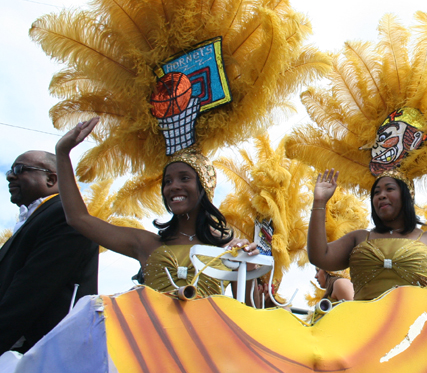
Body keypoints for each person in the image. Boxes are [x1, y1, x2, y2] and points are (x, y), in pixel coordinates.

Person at [55, 118, 259, 298]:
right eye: (167, 181)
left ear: (204, 186)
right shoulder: (145, 243)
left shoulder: (228, 250)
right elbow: (78, 218)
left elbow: (251, 313)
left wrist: (248, 269)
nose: (173, 186)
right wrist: (62, 154)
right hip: (152, 339)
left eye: (184, 178)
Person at [0, 151, 98, 353]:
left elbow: (31, 290)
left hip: (42, 356)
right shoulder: (34, 218)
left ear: (51, 178)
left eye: (19, 169)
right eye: (10, 170)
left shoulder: (64, 215)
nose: (10, 176)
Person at [308, 170, 427, 301]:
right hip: (365, 326)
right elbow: (319, 256)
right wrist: (319, 201)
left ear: (407, 195)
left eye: (389, 189)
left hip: (415, 325)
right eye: (376, 193)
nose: (381, 195)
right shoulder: (358, 238)